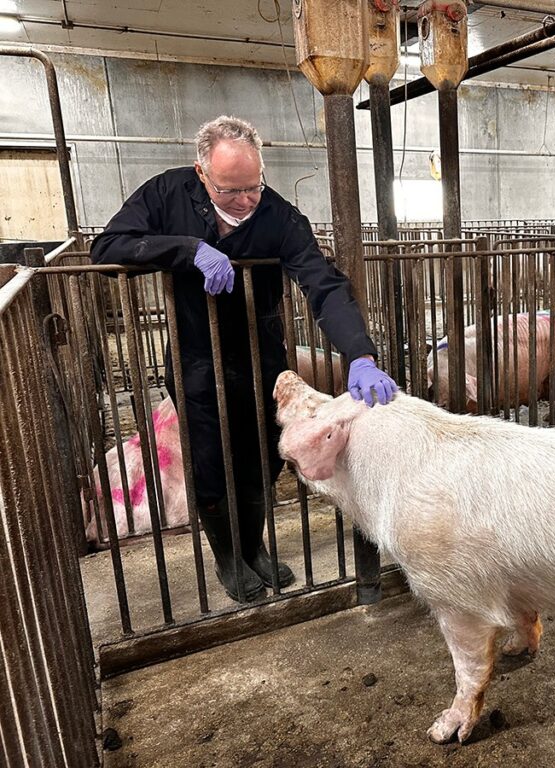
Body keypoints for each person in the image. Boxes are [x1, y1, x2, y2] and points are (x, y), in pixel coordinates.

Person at [91, 115, 397, 603]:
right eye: (232, 190)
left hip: (260, 357)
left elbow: (322, 283)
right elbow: (107, 247)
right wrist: (188, 249)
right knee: (211, 459)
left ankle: (253, 547)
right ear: (201, 173)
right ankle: (228, 557)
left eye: (254, 186)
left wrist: (359, 353)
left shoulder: (277, 215)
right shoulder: (167, 194)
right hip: (194, 358)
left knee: (258, 458)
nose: (246, 200)